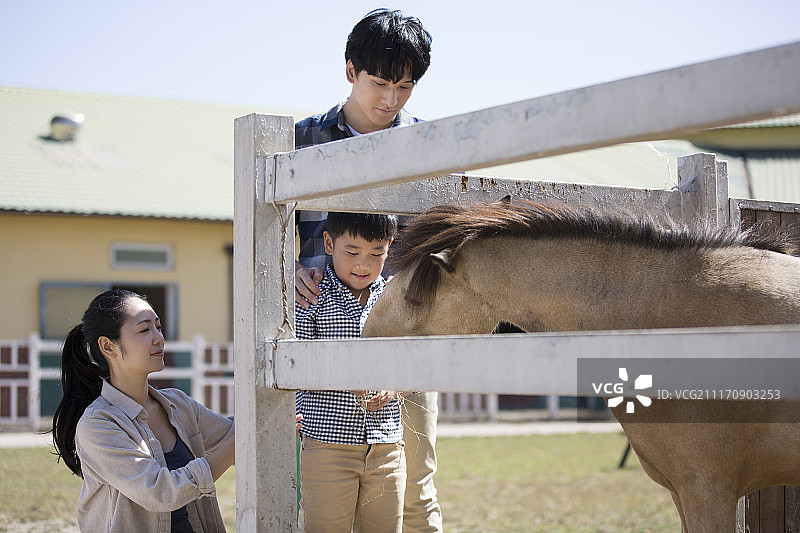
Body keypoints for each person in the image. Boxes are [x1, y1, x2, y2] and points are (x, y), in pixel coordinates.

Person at [293, 9, 443, 532]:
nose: (391, 100)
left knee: (414, 495)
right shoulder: (300, 140)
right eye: (380, 83)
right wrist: (287, 268)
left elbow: (441, 253)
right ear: (350, 70)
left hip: (404, 335)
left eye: (405, 86)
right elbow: (260, 234)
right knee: (315, 495)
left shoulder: (428, 147)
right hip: (315, 336)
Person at [52, 289, 235, 532]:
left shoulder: (179, 405)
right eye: (144, 329)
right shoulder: (98, 425)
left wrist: (278, 420)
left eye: (158, 327)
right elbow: (160, 493)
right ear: (108, 346)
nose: (159, 338)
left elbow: (233, 434)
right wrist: (243, 439)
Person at [295, 211, 404, 532]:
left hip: (387, 447)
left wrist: (393, 386)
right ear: (328, 243)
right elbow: (296, 367)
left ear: (390, 248)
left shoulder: (395, 298)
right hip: (328, 446)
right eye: (353, 252)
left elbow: (413, 364)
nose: (364, 265)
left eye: (377, 254)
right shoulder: (311, 295)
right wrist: (345, 379)